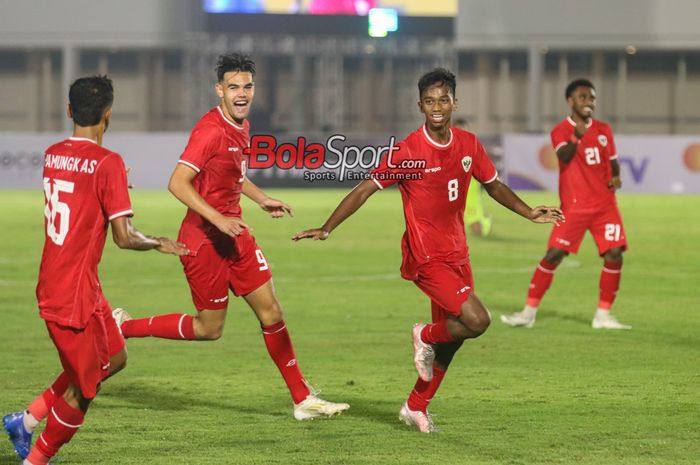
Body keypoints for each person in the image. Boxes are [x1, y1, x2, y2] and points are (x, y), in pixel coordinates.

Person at [293, 68, 563, 432]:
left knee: (450, 341)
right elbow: (364, 189)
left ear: (455, 102)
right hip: (427, 258)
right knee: (477, 321)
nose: (437, 107)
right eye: (430, 101)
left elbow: (494, 185)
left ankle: (415, 406)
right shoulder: (408, 151)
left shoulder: (468, 144)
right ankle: (422, 334)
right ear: (420, 105)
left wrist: (529, 212)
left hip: (458, 255)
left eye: (444, 100)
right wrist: (327, 227)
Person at [114, 52, 349, 420]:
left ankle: (303, 399)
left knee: (272, 311)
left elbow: (232, 175)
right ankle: (122, 326)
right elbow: (177, 182)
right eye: (234, 87)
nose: (242, 93)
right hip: (203, 240)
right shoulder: (209, 131)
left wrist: (261, 199)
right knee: (209, 329)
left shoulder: (241, 124)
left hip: (236, 235)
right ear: (219, 90)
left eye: (247, 87)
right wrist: (217, 219)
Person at [2, 76, 187, 464]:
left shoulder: (54, 153)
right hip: (70, 297)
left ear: (69, 111)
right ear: (109, 115)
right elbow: (124, 237)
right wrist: (159, 242)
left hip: (76, 284)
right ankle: (35, 460)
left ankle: (27, 420)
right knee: (84, 389)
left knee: (115, 358)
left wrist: (114, 182)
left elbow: (81, 187)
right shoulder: (108, 163)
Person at [500, 79, 630, 330]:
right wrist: (577, 137)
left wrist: (615, 176)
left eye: (591, 98)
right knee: (554, 254)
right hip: (574, 206)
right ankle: (528, 313)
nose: (589, 103)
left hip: (605, 205)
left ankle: (603, 315)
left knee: (615, 254)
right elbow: (564, 156)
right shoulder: (561, 130)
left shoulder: (603, 129)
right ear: (570, 101)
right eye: (583, 97)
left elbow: (613, 160)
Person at [453, 117, 493, 237]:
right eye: (458, 128)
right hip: (453, 184)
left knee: (477, 230)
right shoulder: (447, 141)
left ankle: (486, 222)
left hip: (469, 184)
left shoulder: (471, 143)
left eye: (463, 128)